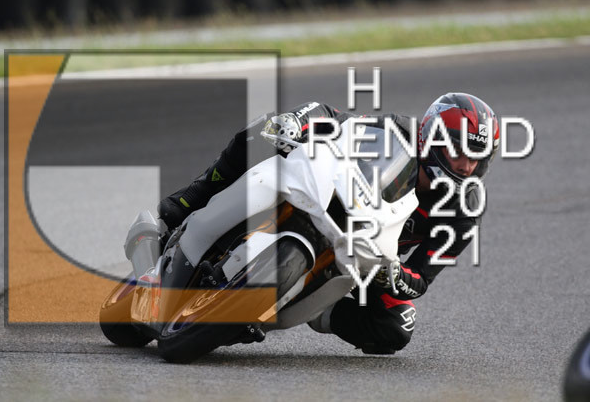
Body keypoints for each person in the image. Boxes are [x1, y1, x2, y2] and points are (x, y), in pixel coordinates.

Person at [157, 93, 500, 355]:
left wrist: (395, 275)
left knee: (397, 327)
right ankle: (190, 199)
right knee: (264, 129)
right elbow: (333, 117)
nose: (467, 166)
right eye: (459, 152)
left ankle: (318, 308)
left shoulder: (465, 212)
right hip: (331, 197)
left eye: (477, 158)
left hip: (369, 259)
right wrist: (297, 121)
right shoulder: (396, 130)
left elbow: (422, 277)